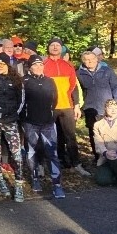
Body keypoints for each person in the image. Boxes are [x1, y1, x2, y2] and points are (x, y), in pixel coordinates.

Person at [22, 55, 65, 198]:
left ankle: (57, 184)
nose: (39, 67)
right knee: (32, 152)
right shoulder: (24, 82)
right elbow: (21, 102)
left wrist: (51, 116)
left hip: (48, 123)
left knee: (52, 153)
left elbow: (55, 100)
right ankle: (35, 178)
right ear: (30, 67)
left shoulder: (50, 81)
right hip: (31, 123)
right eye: (35, 65)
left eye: (41, 64)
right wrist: (24, 119)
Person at [0, 55, 26, 202]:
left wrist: (14, 115)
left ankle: (19, 186)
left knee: (17, 155)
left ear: (8, 65)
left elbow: (21, 100)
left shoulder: (16, 80)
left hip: (11, 121)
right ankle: (1, 182)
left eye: (2, 63)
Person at [77, 50, 117, 166]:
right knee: (94, 133)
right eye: (87, 60)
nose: (90, 61)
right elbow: (77, 90)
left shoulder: (107, 71)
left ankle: (113, 156)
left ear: (97, 59)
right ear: (83, 62)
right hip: (90, 108)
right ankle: (98, 157)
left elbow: (116, 86)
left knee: (109, 133)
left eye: (92, 59)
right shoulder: (78, 73)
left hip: (107, 107)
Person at [41, 37, 82, 171]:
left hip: (67, 106)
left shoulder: (68, 65)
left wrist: (76, 105)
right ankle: (52, 162)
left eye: (57, 45)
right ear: (48, 48)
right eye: (52, 45)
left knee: (70, 136)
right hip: (49, 107)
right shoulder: (43, 64)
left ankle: (76, 163)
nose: (54, 47)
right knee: (50, 136)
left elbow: (74, 86)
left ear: (61, 48)